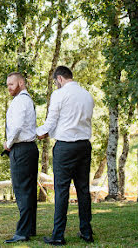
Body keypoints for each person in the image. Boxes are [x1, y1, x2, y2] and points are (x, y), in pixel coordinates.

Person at [37, 66, 95, 246]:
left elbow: (52, 120)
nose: (56, 85)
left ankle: (58, 235)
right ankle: (86, 232)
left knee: (62, 190)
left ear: (60, 78)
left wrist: (39, 132)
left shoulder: (59, 94)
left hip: (65, 147)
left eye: (56, 82)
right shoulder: (87, 95)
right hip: (84, 146)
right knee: (83, 190)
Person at [2, 72, 38, 243]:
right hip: (30, 148)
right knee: (29, 191)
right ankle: (30, 228)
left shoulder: (20, 101)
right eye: (7, 84)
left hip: (21, 149)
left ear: (21, 83)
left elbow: (16, 127)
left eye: (11, 84)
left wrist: (8, 144)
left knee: (22, 191)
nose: (9, 87)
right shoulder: (27, 100)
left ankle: (22, 232)